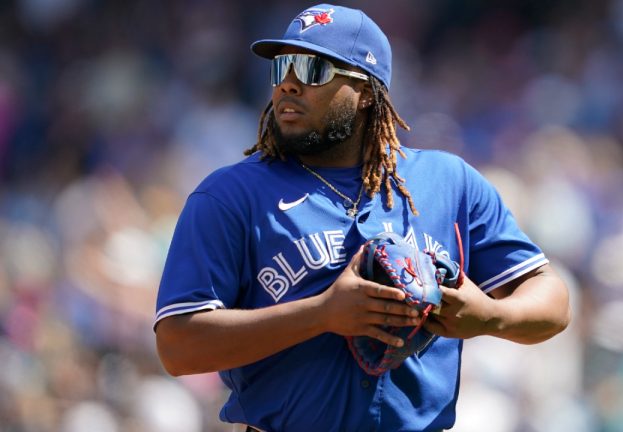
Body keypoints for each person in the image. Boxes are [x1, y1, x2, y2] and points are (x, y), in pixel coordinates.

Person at [154, 4, 570, 432]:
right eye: (282, 67)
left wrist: (490, 317)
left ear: (367, 91)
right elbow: (178, 346)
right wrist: (321, 313)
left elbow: (552, 301)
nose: (289, 85)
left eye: (312, 69)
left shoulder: (449, 182)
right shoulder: (228, 196)